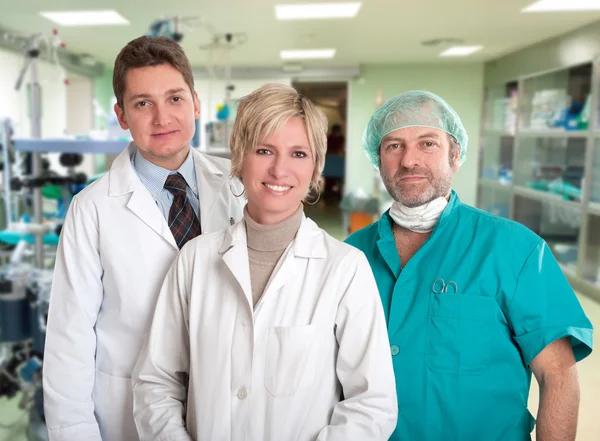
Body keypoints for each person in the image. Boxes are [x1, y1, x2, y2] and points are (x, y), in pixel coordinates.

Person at [131, 83, 398, 441]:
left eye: (299, 154)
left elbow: (372, 405)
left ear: (317, 166)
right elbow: (156, 382)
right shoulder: (194, 260)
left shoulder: (345, 269)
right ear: (239, 159)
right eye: (264, 150)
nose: (279, 169)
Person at [345, 90, 594, 441]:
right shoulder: (350, 255)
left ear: (455, 154)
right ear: (377, 158)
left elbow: (558, 377)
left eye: (427, 143)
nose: (409, 160)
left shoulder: (515, 250)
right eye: (393, 146)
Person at [42, 36, 244, 441]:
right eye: (142, 103)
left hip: (227, 407)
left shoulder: (239, 187)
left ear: (196, 103)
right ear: (121, 115)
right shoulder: (92, 209)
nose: (162, 118)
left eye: (174, 98)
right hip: (126, 416)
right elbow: (69, 340)